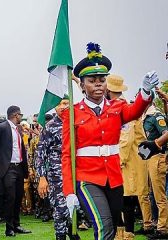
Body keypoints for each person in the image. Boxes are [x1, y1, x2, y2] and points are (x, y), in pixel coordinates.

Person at [61, 42, 158, 240]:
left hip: (113, 177)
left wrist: (146, 92)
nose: (98, 84)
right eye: (92, 80)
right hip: (87, 179)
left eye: (102, 80)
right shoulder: (72, 113)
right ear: (81, 84)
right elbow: (66, 154)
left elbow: (135, 111)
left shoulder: (117, 106)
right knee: (103, 226)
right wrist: (69, 191)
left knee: (113, 229)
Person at [105, 74, 148, 240]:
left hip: (126, 162)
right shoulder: (119, 105)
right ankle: (122, 233)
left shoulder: (122, 107)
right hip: (129, 162)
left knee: (125, 200)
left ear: (108, 89)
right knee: (123, 199)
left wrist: (118, 161)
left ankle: (126, 234)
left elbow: (126, 138)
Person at [36, 97, 80, 240]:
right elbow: (40, 154)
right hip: (58, 174)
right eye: (59, 104)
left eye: (66, 103)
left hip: (78, 171)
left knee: (76, 207)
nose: (63, 106)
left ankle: (72, 232)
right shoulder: (50, 126)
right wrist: (42, 178)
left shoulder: (76, 121)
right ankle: (61, 235)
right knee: (61, 208)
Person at [0, 106, 31, 237]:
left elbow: (20, 149)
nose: (21, 117)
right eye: (20, 115)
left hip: (19, 167)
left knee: (18, 196)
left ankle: (17, 224)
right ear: (16, 115)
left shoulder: (17, 129)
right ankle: (9, 228)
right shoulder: (2, 127)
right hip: (7, 168)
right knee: (10, 197)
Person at [137, 100, 168, 239]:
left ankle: (163, 228)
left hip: (156, 157)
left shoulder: (156, 115)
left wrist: (155, 144)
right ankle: (147, 225)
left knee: (158, 195)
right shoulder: (141, 116)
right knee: (143, 192)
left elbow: (166, 132)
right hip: (144, 157)